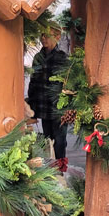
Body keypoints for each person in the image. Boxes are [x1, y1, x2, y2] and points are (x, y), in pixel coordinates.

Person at [26, 27, 69, 160]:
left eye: (46, 35)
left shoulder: (62, 58)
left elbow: (68, 84)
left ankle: (60, 168)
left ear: (57, 36)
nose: (43, 38)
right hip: (43, 106)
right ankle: (50, 168)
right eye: (42, 35)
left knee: (60, 140)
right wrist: (32, 107)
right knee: (47, 138)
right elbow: (33, 82)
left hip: (58, 108)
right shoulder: (38, 57)